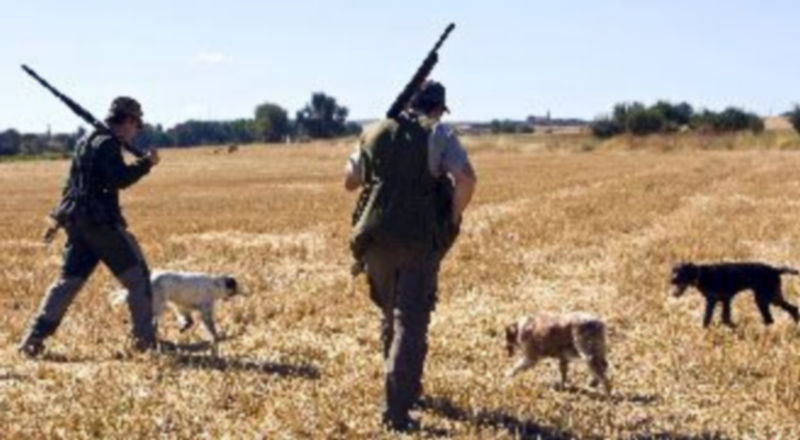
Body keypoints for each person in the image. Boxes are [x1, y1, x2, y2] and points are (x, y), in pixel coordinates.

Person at [344, 81, 477, 431]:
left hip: (372, 238)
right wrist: (451, 217)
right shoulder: (439, 134)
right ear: (436, 108)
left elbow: (350, 180)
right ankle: (396, 412)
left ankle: (405, 390)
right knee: (411, 322)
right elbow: (465, 179)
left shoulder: (372, 131)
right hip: (417, 239)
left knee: (391, 314)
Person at [18, 97, 161, 357]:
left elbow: (71, 187)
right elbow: (118, 179)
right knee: (138, 279)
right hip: (102, 224)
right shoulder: (108, 144)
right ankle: (145, 343)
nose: (136, 130)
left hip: (77, 223)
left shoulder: (85, 141)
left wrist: (57, 218)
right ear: (128, 120)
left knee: (67, 283)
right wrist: (146, 164)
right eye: (136, 124)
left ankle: (32, 339)